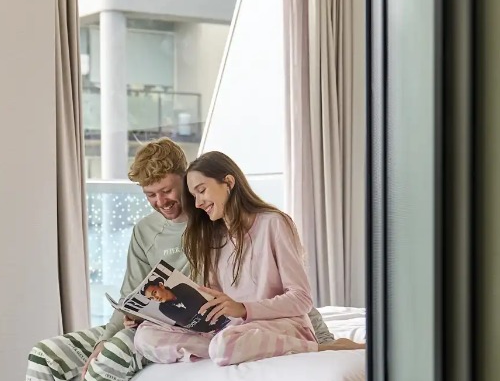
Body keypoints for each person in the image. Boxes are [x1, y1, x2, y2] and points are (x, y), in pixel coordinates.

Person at [16, 138, 337, 381]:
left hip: (193, 324)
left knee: (125, 351)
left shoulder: (213, 225)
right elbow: (130, 295)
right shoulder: (147, 230)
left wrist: (321, 339)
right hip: (141, 323)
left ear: (187, 181)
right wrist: (116, 328)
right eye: (150, 194)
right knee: (45, 355)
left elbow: (279, 291)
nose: (161, 201)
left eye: (168, 190)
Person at [134, 151, 364, 367]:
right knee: (145, 335)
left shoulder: (273, 223)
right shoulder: (212, 237)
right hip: (234, 330)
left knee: (225, 344)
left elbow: (301, 299)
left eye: (202, 190)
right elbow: (217, 302)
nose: (197, 203)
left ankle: (320, 348)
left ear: (229, 183)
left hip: (280, 326)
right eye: (193, 196)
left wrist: (243, 309)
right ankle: (220, 349)